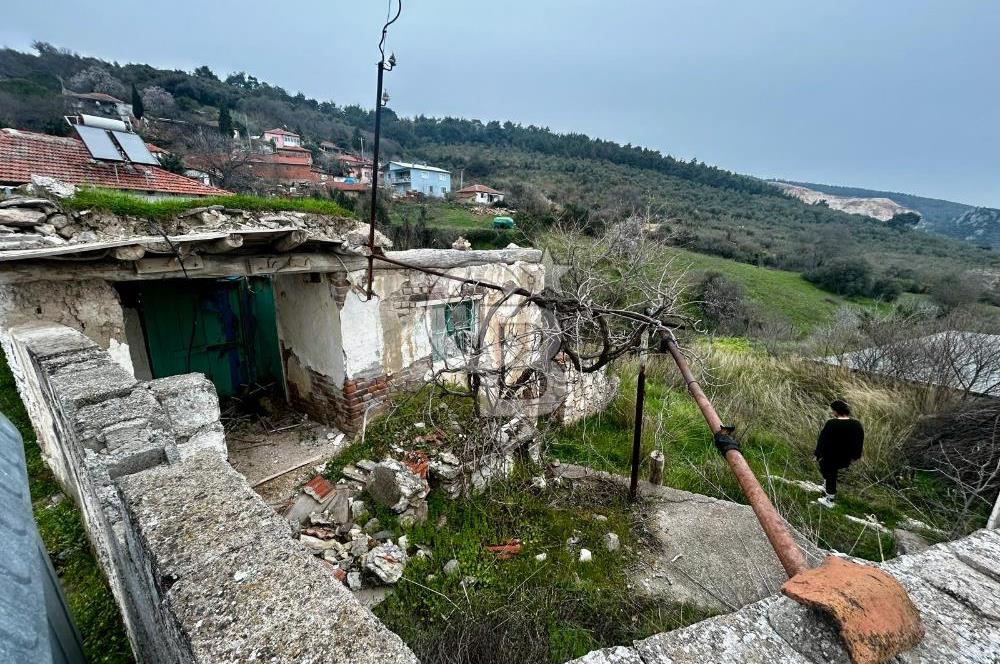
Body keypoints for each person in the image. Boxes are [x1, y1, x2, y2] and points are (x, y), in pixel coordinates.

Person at [814, 399, 864, 508]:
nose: (832, 412)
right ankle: (826, 487)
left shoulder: (831, 423)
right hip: (846, 456)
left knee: (829, 473)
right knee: (829, 472)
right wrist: (856, 456)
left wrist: (817, 454)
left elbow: (822, 440)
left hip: (830, 456)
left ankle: (829, 499)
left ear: (836, 411)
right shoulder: (856, 424)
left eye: (833, 410)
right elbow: (859, 441)